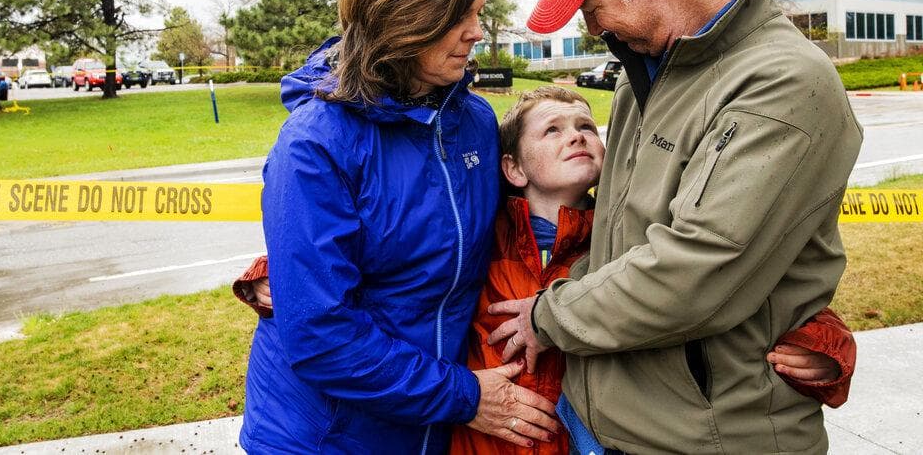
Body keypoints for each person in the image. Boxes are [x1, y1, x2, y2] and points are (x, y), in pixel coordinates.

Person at [238, 86, 856, 454]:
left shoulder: (630, 239)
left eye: (587, 126)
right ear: (511, 167)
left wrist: (827, 347)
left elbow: (724, 283)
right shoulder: (484, 234)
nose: (576, 136)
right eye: (552, 130)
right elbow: (406, 254)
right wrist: (274, 275)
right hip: (478, 439)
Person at [489, 0, 862, 454]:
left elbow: (697, 269)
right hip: (614, 428)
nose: (594, 29)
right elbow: (621, 240)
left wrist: (549, 317)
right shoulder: (644, 74)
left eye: (591, 7)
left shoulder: (781, 81)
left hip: (707, 438)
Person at [238, 0, 561, 454]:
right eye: (460, 15)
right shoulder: (315, 144)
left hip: (432, 427)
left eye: (479, 12)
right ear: (405, 12)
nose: (477, 32)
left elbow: (522, 233)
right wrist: (464, 397)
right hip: (328, 437)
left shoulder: (475, 122)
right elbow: (320, 336)